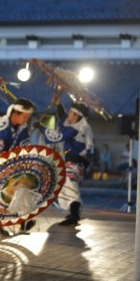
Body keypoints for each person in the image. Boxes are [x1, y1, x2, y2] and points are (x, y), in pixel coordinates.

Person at [39, 96, 94, 226]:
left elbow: (59, 136)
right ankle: (72, 213)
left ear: (76, 116)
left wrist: (41, 127)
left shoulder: (77, 129)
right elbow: (64, 119)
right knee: (64, 187)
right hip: (74, 163)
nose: (68, 114)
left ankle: (74, 215)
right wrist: (58, 105)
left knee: (70, 188)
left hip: (74, 163)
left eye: (71, 112)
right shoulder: (79, 126)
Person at [0, 98, 36, 236]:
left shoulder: (22, 127)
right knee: (0, 197)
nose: (27, 119)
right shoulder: (0, 126)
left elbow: (24, 148)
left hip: (13, 167)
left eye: (28, 117)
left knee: (24, 189)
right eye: (25, 116)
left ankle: (23, 220)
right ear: (15, 113)